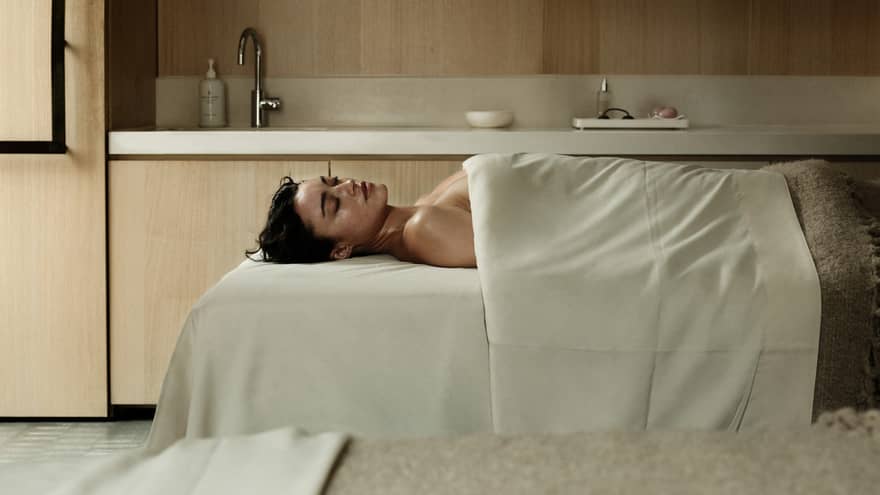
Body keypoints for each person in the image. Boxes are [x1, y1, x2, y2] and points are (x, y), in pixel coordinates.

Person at [246, 169, 476, 268]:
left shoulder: (422, 207)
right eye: (335, 205)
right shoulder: (423, 229)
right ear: (341, 250)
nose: (348, 186)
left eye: (334, 181)